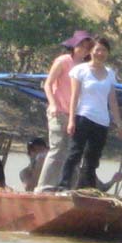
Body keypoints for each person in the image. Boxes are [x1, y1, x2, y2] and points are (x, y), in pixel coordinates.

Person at [58, 37, 122, 190]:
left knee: (92, 159)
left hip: (102, 121)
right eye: (97, 50)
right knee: (74, 153)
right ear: (91, 51)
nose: (100, 53)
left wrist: (119, 124)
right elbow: (74, 96)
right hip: (83, 116)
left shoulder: (110, 73)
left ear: (108, 53)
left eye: (103, 50)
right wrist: (71, 120)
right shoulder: (80, 70)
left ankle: (88, 189)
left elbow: (113, 101)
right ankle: (63, 185)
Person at [34, 30, 94, 193]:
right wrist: (53, 104)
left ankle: (66, 187)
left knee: (72, 152)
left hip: (74, 116)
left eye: (88, 47)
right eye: (81, 45)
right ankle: (43, 187)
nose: (84, 49)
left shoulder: (86, 68)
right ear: (74, 46)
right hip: (58, 112)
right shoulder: (63, 61)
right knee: (57, 148)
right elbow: (48, 84)